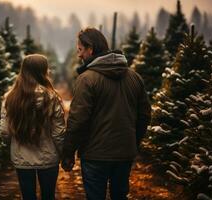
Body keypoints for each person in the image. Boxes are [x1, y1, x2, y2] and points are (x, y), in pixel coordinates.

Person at [61, 27, 151, 200]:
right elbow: (144, 115)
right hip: (125, 153)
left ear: (90, 49)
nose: (79, 55)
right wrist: (133, 142)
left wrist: (68, 152)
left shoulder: (87, 79)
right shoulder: (134, 77)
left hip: (95, 155)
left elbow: (78, 120)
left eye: (80, 50)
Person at [0, 54, 66, 200]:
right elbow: (58, 133)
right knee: (48, 196)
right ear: (43, 71)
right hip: (48, 158)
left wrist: (9, 148)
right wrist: (63, 153)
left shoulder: (10, 98)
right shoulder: (52, 97)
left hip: (21, 158)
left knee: (27, 196)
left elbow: (5, 131)